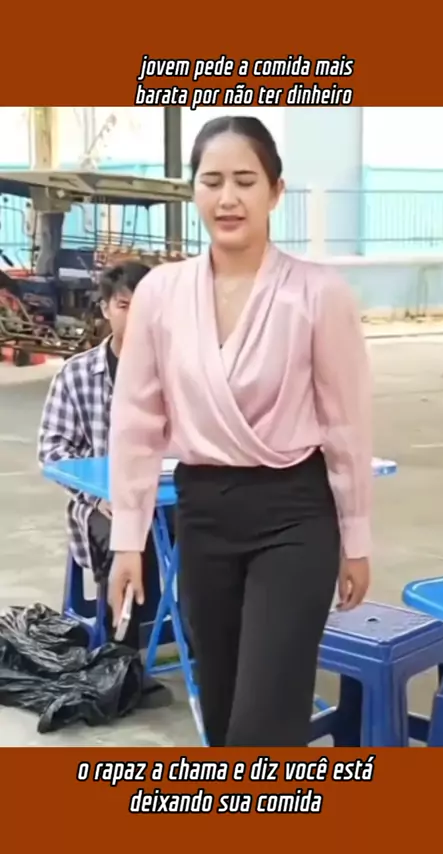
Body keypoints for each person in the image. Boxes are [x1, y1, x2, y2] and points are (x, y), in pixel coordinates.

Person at [107, 116, 372, 747]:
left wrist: (356, 537)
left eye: (246, 181)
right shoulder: (161, 294)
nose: (228, 198)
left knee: (264, 722)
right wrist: (127, 538)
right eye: (213, 181)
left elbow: (346, 424)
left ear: (275, 191)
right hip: (203, 515)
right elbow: (137, 421)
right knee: (224, 715)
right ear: (193, 191)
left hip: (293, 514)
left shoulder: (318, 294)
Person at [38, 261, 173, 709]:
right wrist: (97, 496)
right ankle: (123, 664)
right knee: (125, 539)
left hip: (171, 497)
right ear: (105, 309)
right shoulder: (76, 375)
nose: (135, 317)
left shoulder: (177, 372)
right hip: (102, 505)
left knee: (218, 535)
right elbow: (52, 450)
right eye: (124, 305)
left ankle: (215, 649)